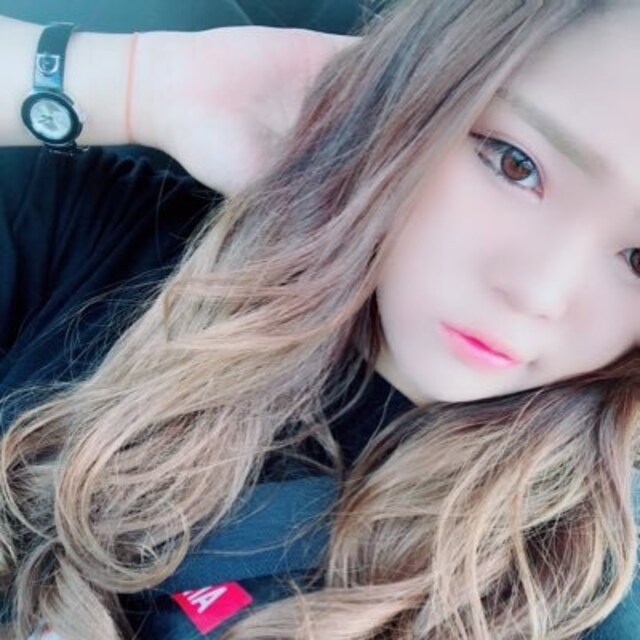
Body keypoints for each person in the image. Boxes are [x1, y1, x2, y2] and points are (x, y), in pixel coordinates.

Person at [0, 1, 639, 638]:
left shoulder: (590, 584)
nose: (537, 291)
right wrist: (149, 83)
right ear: (427, 91)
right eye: (515, 164)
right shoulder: (109, 248)